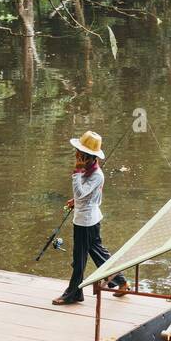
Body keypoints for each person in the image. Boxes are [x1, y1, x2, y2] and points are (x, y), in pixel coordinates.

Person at [51, 130, 128, 305]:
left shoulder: (95, 174)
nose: (76, 154)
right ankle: (121, 282)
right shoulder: (89, 171)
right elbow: (86, 196)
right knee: (98, 253)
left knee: (79, 258)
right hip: (88, 218)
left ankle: (73, 294)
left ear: (87, 156)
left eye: (79, 153)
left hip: (86, 222)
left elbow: (81, 192)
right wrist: (76, 202)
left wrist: (76, 173)